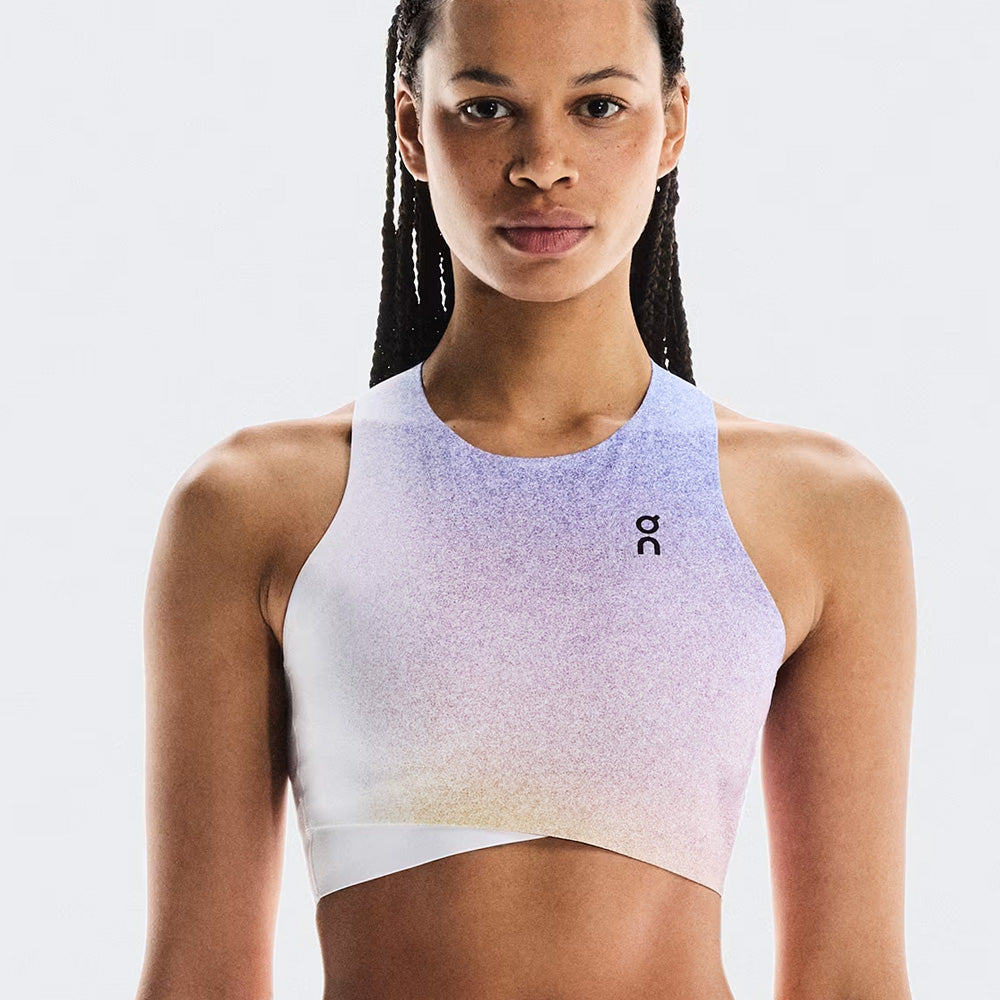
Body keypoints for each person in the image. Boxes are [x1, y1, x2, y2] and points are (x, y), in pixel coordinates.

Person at [134, 1, 917, 998]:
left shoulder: (822, 513)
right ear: (411, 127)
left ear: (672, 122)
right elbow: (197, 979)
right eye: (486, 108)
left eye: (598, 106)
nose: (543, 164)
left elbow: (851, 979)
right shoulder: (253, 507)